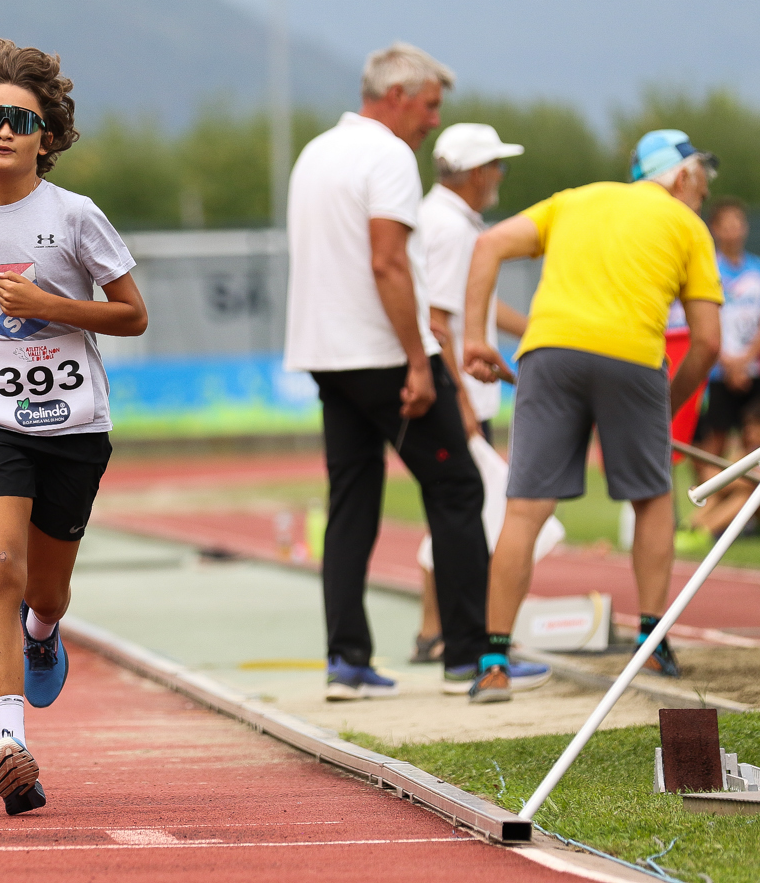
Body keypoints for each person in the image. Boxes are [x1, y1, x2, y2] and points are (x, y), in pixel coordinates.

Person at [0, 39, 147, 815]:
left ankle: (44, 631)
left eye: (21, 120)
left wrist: (50, 306)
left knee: (45, 590)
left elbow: (133, 315)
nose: (5, 131)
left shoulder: (75, 216)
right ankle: (9, 742)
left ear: (46, 136)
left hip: (74, 425)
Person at [284, 42, 512, 701]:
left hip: (326, 355)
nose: (434, 122)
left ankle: (347, 661)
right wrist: (418, 358)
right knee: (458, 488)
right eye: (430, 106)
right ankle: (470, 656)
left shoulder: (316, 152)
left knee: (351, 503)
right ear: (396, 96)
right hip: (384, 355)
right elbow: (386, 263)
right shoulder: (387, 156)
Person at [463, 129, 722, 702]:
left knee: (525, 509)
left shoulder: (575, 199)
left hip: (548, 352)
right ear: (681, 178)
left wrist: (475, 338)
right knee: (652, 499)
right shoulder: (687, 226)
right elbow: (706, 343)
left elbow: (486, 246)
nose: (701, 201)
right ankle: (650, 644)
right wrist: (664, 408)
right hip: (633, 356)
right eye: (701, 189)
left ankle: (494, 661)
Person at [410, 123, 532, 664]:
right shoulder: (450, 228)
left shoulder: (445, 220)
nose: (500, 175)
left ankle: (436, 631)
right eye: (496, 166)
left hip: (458, 387)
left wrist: (537, 330)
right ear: (477, 172)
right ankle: (449, 631)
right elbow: (438, 321)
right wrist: (458, 398)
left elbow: (472, 303)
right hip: (458, 392)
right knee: (463, 511)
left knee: (458, 509)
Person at [696, 198, 760, 465]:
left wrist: (746, 360)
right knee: (714, 442)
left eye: (738, 223)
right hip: (719, 372)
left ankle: (751, 493)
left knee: (756, 443)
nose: (733, 231)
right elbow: (700, 321)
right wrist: (728, 363)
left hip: (755, 371)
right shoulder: (707, 270)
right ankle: (708, 490)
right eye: (726, 225)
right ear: (715, 229)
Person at [684, 396, 760, 537]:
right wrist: (722, 481)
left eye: (759, 424)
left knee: (747, 492)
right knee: (729, 488)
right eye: (749, 424)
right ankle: (690, 527)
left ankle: (702, 532)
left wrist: (723, 481)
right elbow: (711, 475)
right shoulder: (749, 452)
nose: (751, 430)